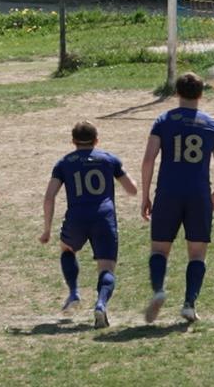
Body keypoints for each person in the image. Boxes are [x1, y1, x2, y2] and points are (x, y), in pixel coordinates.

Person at [141, 72, 214, 323]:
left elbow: (149, 160)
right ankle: (189, 304)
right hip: (198, 194)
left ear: (177, 93)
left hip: (168, 192)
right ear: (201, 94)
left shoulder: (163, 120)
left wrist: (146, 194)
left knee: (160, 248)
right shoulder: (212, 125)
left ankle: (158, 289)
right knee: (197, 253)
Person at [40, 121, 137, 329]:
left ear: (73, 141)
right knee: (107, 267)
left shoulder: (63, 163)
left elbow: (49, 197)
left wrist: (47, 229)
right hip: (104, 216)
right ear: (97, 140)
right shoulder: (109, 159)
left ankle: (74, 292)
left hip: (76, 216)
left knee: (67, 249)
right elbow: (132, 189)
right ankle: (101, 304)